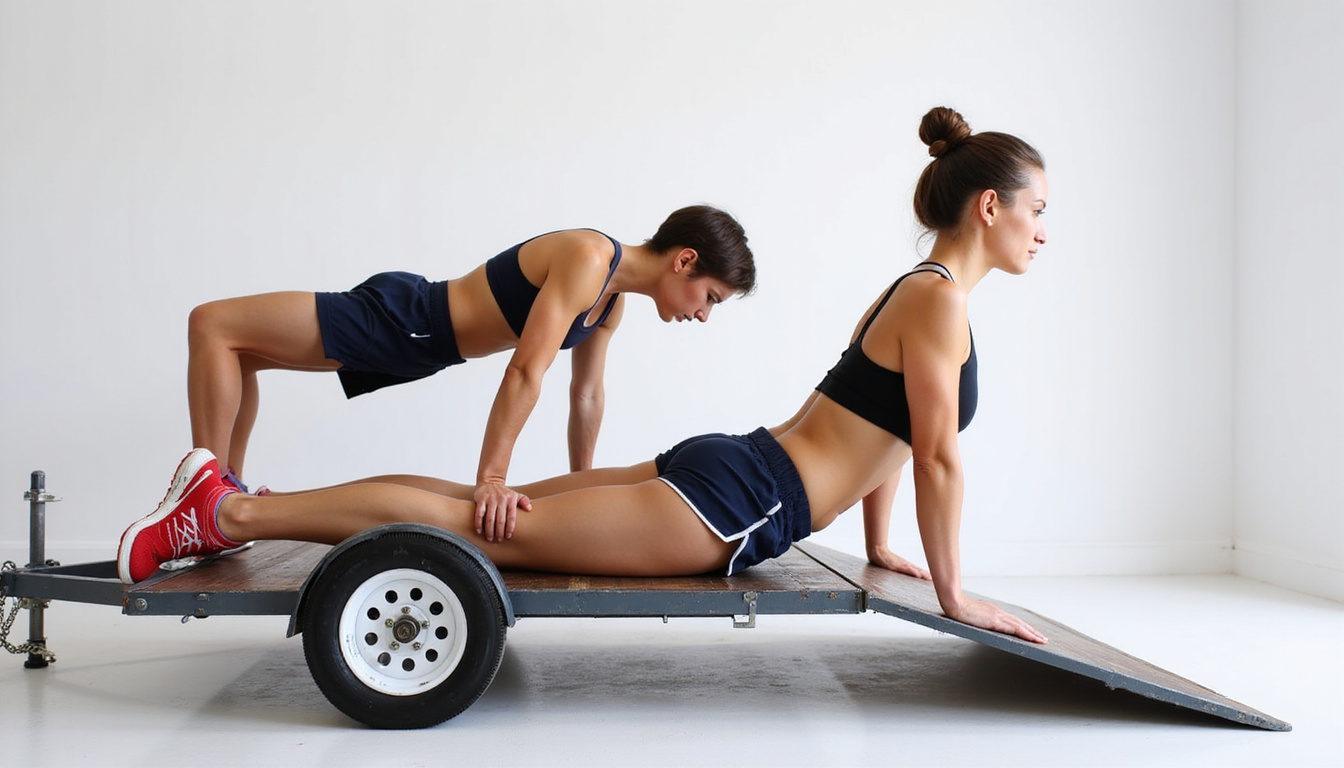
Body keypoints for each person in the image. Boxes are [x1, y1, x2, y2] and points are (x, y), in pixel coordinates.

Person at [119, 107, 1049, 644]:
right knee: (475, 523)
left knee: (473, 510)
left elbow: (872, 420)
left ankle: (228, 500)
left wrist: (885, 546)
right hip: (737, 501)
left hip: (737, 468)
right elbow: (932, 457)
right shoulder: (940, 302)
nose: (1044, 229)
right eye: (1038, 210)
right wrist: (954, 591)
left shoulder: (916, 292)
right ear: (990, 204)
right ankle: (229, 510)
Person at [185, 205, 756, 531]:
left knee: (229, 340)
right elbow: (525, 373)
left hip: (420, 340)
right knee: (220, 331)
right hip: (405, 319)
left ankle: (218, 500)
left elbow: (586, 397)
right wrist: (492, 481)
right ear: (685, 261)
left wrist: (583, 487)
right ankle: (212, 497)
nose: (703, 315)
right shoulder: (588, 258)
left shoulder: (610, 306)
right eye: (709, 297)